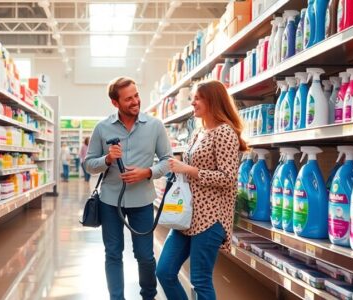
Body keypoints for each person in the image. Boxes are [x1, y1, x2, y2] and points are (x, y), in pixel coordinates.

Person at [156, 80, 248, 300]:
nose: (193, 103)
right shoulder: (199, 133)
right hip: (187, 216)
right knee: (165, 271)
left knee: (200, 280)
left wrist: (189, 169)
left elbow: (228, 178)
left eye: (197, 98)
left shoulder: (224, 132)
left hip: (210, 217)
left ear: (212, 100)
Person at [85, 77, 171, 300]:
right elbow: (89, 163)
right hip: (110, 201)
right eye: (128, 99)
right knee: (113, 254)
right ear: (115, 103)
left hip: (142, 200)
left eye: (136, 95)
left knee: (145, 255)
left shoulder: (155, 126)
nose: (135, 101)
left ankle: (148, 296)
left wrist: (147, 172)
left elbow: (167, 160)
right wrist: (107, 159)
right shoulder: (102, 128)